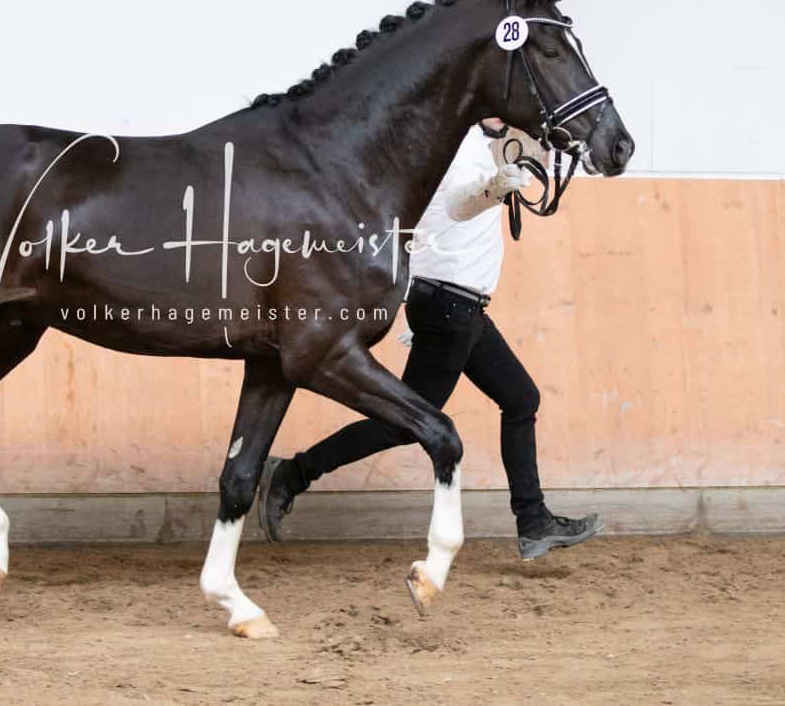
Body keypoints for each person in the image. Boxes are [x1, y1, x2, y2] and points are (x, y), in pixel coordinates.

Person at [258, 120, 603, 560]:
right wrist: (493, 190)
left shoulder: (478, 146)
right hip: (450, 307)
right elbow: (458, 205)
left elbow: (439, 220)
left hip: (460, 309)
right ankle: (291, 475)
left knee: (520, 399)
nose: (503, 119)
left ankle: (534, 523)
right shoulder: (458, 147)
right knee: (404, 423)